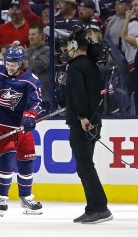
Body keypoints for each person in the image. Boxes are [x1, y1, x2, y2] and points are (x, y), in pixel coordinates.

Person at [0, 44, 44, 216]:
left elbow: (38, 103)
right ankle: (2, 197)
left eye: (13, 63)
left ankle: (26, 198)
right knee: (7, 159)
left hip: (21, 127)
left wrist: (31, 116)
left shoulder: (30, 79)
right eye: (7, 62)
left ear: (21, 63)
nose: (9, 66)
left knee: (27, 160)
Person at [64, 28, 113, 224]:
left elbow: (79, 95)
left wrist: (83, 116)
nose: (66, 48)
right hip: (92, 121)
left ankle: (99, 207)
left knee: (85, 166)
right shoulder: (91, 65)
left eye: (68, 45)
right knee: (85, 166)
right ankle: (94, 207)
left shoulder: (76, 66)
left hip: (82, 123)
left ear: (75, 45)